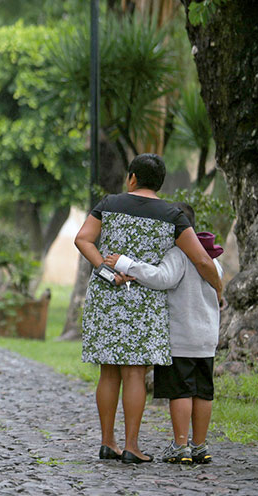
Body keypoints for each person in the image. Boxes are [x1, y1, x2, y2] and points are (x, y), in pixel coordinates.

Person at [74, 153, 222, 464]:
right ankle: (131, 446)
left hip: (107, 295)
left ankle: (107, 442)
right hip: (143, 301)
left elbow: (83, 239)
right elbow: (201, 260)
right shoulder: (172, 215)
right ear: (160, 183)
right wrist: (219, 289)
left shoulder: (109, 203)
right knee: (135, 374)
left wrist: (105, 268)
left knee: (108, 372)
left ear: (131, 178)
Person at [104, 203, 224, 465]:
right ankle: (200, 446)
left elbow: (161, 278)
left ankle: (180, 446)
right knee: (203, 392)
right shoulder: (212, 258)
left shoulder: (178, 254)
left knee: (181, 391)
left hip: (181, 338)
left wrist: (127, 264)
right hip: (206, 339)